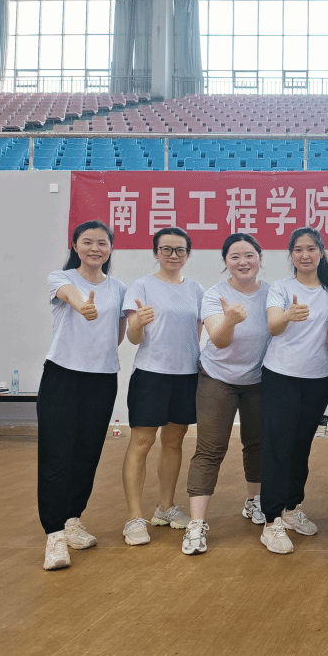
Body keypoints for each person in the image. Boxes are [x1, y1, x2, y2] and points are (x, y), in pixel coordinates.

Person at [38, 220, 126, 570]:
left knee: (87, 455)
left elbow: (117, 334)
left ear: (110, 248)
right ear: (74, 245)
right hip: (62, 376)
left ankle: (73, 519)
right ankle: (54, 534)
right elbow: (70, 296)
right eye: (87, 242)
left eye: (102, 243)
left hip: (102, 379)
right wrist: (82, 306)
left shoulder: (118, 288)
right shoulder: (61, 279)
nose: (94, 248)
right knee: (57, 456)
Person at [182, 233, 270, 556]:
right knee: (210, 449)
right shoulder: (214, 295)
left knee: (257, 443)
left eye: (249, 255)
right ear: (225, 262)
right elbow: (219, 340)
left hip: (258, 380)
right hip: (217, 378)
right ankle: (196, 524)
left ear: (260, 258)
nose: (243, 262)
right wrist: (231, 320)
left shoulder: (272, 293)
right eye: (235, 256)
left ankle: (254, 501)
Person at [121, 227, 204, 546]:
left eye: (180, 250)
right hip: (151, 374)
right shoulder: (141, 286)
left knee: (174, 442)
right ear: (156, 252)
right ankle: (134, 517)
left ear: (188, 254)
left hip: (186, 375)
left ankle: (165, 508)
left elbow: (196, 333)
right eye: (166, 249)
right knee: (142, 442)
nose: (173, 255)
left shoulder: (196, 289)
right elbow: (133, 337)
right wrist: (138, 324)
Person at [259, 227, 328, 555]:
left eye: (311, 248)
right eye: (298, 249)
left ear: (321, 252)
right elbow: (273, 326)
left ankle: (292, 509)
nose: (305, 255)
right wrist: (289, 315)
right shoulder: (280, 288)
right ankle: (271, 521)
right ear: (291, 255)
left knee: (301, 448)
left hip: (318, 381)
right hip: (280, 377)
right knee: (278, 448)